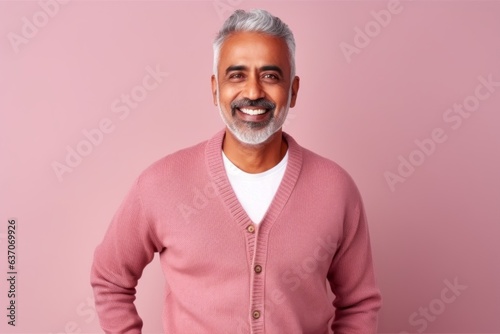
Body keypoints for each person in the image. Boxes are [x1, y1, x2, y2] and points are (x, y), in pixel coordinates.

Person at [91, 9, 382, 334]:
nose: (254, 92)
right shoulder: (162, 184)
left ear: (294, 90)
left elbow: (359, 304)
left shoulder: (335, 189)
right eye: (237, 75)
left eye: (270, 75)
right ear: (215, 89)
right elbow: (109, 279)